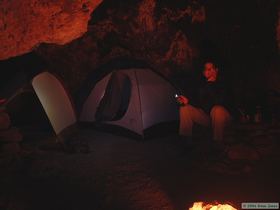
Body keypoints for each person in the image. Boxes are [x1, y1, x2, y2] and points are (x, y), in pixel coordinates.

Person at [177, 61, 233, 146]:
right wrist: (187, 101)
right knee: (185, 108)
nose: (208, 71)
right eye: (206, 69)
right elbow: (198, 102)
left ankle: (217, 143)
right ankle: (186, 142)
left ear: (216, 70)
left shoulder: (223, 84)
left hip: (223, 117)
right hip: (208, 118)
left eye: (210, 69)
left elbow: (219, 101)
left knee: (217, 109)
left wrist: (211, 83)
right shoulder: (201, 86)